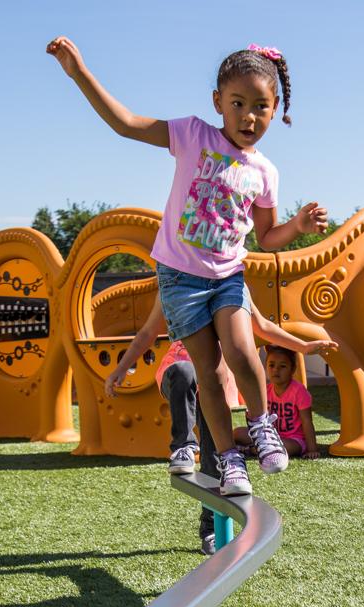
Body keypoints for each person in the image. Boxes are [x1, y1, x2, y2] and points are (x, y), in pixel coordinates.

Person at [48, 36, 328, 496]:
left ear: (274, 109)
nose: (248, 116)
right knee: (211, 373)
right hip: (180, 280)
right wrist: (79, 73)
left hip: (228, 277)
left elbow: (267, 237)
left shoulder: (265, 172)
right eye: (238, 103)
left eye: (260, 106)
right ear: (217, 102)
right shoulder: (192, 134)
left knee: (241, 352)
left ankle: (261, 427)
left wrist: (297, 225)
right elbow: (127, 124)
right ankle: (231, 460)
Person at [102, 300, 336, 553]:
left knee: (217, 457)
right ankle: (183, 446)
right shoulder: (175, 282)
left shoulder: (231, 285)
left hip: (213, 387)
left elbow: (263, 326)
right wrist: (121, 368)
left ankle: (210, 530)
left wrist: (303, 346)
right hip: (179, 373)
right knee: (185, 371)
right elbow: (147, 332)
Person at [262, 345, 321, 459]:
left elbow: (307, 421)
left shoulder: (299, 391)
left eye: (282, 366)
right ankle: (256, 448)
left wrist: (312, 449)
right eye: (271, 365)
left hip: (294, 440)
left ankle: (253, 449)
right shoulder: (266, 390)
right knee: (238, 433)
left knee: (279, 446)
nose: (275, 370)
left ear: (293, 370)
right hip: (271, 436)